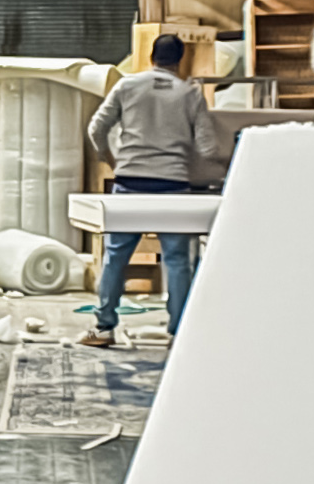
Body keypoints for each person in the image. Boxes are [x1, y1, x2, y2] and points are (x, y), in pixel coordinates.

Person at [84, 31, 228, 348]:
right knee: (177, 261)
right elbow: (206, 147)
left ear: (151, 57)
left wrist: (111, 160)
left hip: (130, 183)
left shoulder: (127, 86)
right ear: (180, 60)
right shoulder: (190, 94)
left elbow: (97, 127)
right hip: (173, 187)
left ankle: (103, 327)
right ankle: (179, 333)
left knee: (115, 257)